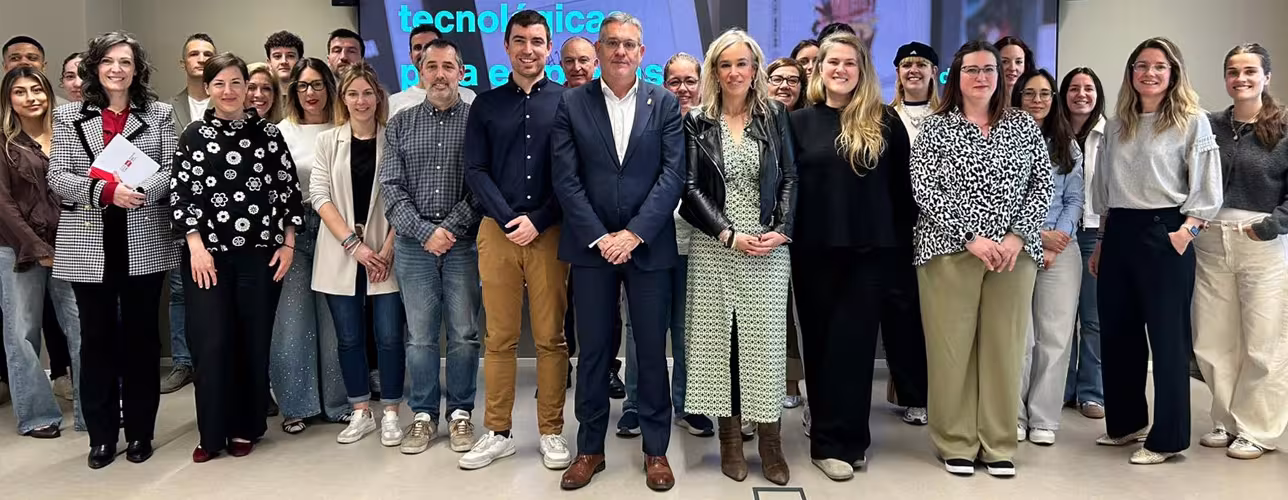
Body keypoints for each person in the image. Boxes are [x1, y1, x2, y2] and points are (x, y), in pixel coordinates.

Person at [552, 12, 684, 492]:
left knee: (651, 352)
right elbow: (565, 179)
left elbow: (672, 176)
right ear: (600, 50)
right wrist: (602, 236)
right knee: (593, 353)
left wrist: (634, 234)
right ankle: (590, 449)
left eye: (630, 44)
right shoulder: (572, 103)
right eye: (612, 43)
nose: (621, 52)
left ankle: (656, 451)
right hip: (592, 250)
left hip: (648, 248)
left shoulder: (664, 102)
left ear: (641, 53)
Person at [911, 40, 1052, 478]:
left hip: (1013, 256)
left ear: (1001, 76)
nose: (982, 77)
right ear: (956, 76)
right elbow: (924, 188)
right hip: (949, 251)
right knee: (952, 350)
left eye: (989, 69)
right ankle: (955, 440)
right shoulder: (935, 128)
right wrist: (971, 237)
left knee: (1004, 350)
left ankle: (998, 442)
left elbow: (1042, 185)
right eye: (971, 70)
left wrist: (1015, 236)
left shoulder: (1024, 127)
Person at [47, 31, 179, 469]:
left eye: (125, 61)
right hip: (88, 242)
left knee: (142, 341)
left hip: (143, 237)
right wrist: (105, 191)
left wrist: (136, 190)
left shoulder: (158, 114)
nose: (117, 69)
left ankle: (140, 433)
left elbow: (175, 167)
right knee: (96, 341)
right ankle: (102, 436)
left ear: (137, 68)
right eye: (108, 61)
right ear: (94, 67)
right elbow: (58, 175)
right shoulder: (68, 116)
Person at [1089, 37, 1221, 466]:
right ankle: (1126, 424)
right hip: (1120, 231)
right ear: (1131, 73)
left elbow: (1206, 184)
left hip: (1165, 232)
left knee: (1167, 340)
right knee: (1118, 332)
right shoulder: (1117, 124)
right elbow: (1105, 186)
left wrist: (1187, 231)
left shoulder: (1191, 121)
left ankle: (1167, 440)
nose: (1149, 73)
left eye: (1159, 66)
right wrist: (1105, 239)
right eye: (1141, 65)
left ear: (1173, 73)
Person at [789, 32, 912, 481]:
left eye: (849, 63)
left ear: (862, 71)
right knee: (820, 348)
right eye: (832, 62)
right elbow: (789, 192)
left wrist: (897, 252)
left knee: (856, 350)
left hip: (871, 254)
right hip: (813, 254)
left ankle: (852, 439)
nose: (840, 70)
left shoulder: (885, 121)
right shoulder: (799, 123)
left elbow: (903, 193)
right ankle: (826, 443)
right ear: (819, 69)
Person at [172, 53, 302, 462]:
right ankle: (211, 434)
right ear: (208, 89)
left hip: (260, 257)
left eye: (236, 83)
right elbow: (182, 195)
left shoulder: (268, 134)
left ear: (248, 88)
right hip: (206, 257)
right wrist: (196, 247)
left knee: (252, 342)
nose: (228, 92)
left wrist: (288, 243)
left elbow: (287, 191)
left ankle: (247, 425)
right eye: (219, 84)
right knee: (211, 344)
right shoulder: (193, 134)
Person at [681, 28, 796, 486]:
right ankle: (729, 441)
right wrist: (728, 234)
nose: (733, 72)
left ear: (755, 70)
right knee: (720, 347)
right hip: (716, 245)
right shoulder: (698, 120)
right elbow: (688, 190)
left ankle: (770, 443)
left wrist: (781, 230)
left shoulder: (775, 116)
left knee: (765, 348)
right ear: (715, 71)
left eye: (742, 64)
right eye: (725, 65)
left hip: (767, 249)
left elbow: (790, 176)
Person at [460, 10, 570, 472]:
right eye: (520, 40)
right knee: (500, 337)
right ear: (506, 47)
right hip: (498, 233)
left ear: (549, 48)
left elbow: (573, 175)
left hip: (550, 232)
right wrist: (510, 220)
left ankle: (551, 432)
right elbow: (475, 171)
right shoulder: (485, 104)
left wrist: (539, 218)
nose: (529, 49)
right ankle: (498, 432)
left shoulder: (571, 102)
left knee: (550, 337)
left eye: (538, 41)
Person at [381, 39, 483, 455]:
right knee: (420, 337)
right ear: (420, 74)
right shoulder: (400, 123)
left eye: (448, 66)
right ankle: (423, 415)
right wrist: (424, 232)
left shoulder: (479, 121)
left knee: (464, 333)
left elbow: (482, 185)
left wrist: (450, 229)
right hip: (412, 246)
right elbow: (390, 187)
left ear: (462, 72)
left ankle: (460, 413)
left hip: (463, 244)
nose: (440, 75)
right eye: (431, 67)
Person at [1192, 42, 1288, 461]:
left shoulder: (1284, 127)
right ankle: (1225, 420)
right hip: (1211, 238)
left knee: (1263, 342)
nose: (1241, 79)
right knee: (1213, 339)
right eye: (1233, 71)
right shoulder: (1209, 125)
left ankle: (1258, 428)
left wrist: (1271, 225)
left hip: (1261, 241)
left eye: (1250, 71)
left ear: (1266, 77)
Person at [306, 62, 406, 448]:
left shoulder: (393, 137)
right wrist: (355, 245)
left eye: (367, 93)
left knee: (389, 337)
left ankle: (393, 412)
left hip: (387, 254)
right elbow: (319, 196)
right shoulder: (328, 142)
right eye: (352, 93)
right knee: (348, 339)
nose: (361, 101)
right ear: (342, 99)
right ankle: (361, 411)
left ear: (377, 97)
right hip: (341, 253)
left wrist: (386, 248)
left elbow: (404, 195)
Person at [0, 66, 81, 438]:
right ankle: (36, 415)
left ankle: (90, 410)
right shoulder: (4, 143)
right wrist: (37, 248)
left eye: (38, 89)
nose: (31, 98)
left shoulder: (66, 136)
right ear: (9, 100)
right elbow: (4, 206)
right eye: (20, 92)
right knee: (22, 333)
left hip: (71, 248)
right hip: (16, 251)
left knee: (83, 329)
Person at [271, 57, 350, 435]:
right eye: (303, 86)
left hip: (337, 229)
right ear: (293, 91)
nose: (310, 93)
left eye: (318, 85)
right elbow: (279, 189)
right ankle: (297, 405)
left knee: (335, 319)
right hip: (296, 230)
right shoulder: (281, 132)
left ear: (329, 88)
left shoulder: (344, 127)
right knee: (293, 320)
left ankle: (337, 404)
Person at [1013, 68, 1084, 446]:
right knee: (1020, 339)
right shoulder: (1006, 140)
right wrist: (1037, 235)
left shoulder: (1067, 143)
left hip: (1062, 249)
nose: (1037, 100)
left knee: (1055, 337)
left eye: (1044, 93)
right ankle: (1015, 415)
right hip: (1018, 245)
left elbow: (1075, 199)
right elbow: (1002, 199)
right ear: (1017, 97)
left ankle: (1043, 418)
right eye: (1029, 93)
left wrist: (1061, 237)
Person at [878, 41, 936, 427]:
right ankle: (912, 394)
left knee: (936, 314)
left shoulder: (950, 115)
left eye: (921, 64)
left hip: (943, 229)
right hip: (899, 229)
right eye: (906, 64)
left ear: (934, 71)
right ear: (897, 72)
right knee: (900, 313)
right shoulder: (883, 116)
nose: (913, 70)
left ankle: (942, 394)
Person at [161, 33, 216, 395]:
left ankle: (216, 363)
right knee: (181, 291)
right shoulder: (167, 109)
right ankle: (183, 361)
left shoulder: (231, 98)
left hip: (227, 217)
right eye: (193, 54)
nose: (199, 59)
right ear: (183, 63)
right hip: (181, 212)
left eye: (207, 54)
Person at [1059, 66, 1107, 420]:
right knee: (1058, 319)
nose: (1081, 94)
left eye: (1088, 88)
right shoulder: (1052, 133)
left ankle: (1091, 392)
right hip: (1057, 232)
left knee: (1092, 318)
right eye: (1073, 88)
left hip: (1093, 231)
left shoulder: (1111, 133)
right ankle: (1062, 388)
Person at [388, 24, 477, 116]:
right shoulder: (394, 103)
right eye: (418, 47)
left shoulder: (469, 97)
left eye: (430, 45)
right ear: (411, 56)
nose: (424, 52)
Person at [994, 36, 1035, 105]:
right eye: (1005, 61)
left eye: (1018, 62)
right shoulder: (984, 103)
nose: (1012, 68)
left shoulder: (1035, 101)